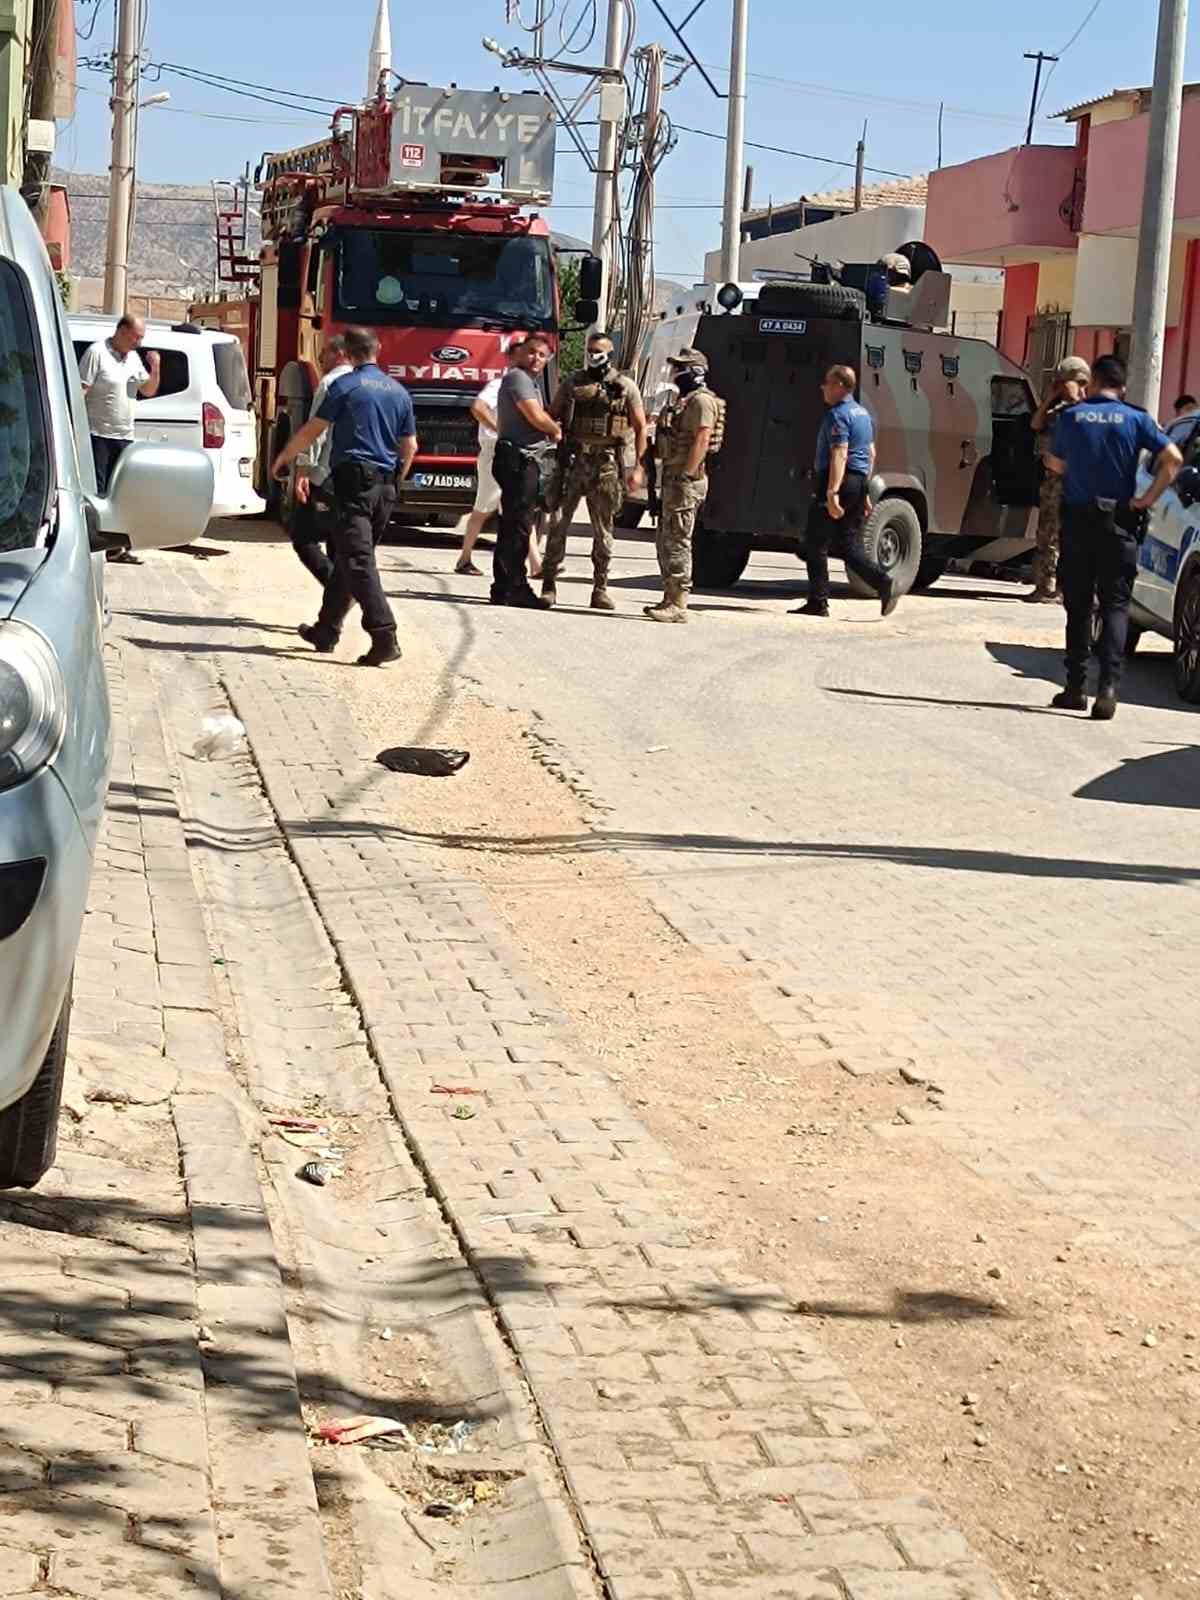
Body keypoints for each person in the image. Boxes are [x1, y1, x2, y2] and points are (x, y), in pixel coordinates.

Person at [1046, 353, 1182, 719]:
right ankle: (1108, 689)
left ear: (1092, 383)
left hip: (1078, 522)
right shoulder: (1137, 419)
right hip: (1119, 522)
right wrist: (1147, 499)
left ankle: (1075, 688)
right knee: (1115, 606)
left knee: (1077, 606)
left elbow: (1055, 464)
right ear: (1121, 387)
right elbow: (1173, 459)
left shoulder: (1072, 417)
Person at [272, 326, 417, 667]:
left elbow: (314, 429)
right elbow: (409, 446)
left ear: (348, 354)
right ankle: (327, 630)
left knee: (358, 562)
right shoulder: (398, 391)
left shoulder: (345, 385)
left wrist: (285, 457)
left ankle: (384, 634)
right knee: (351, 557)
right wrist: (395, 481)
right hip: (385, 486)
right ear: (378, 350)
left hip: (353, 484)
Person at [540, 331, 648, 611]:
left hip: (606, 465)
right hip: (574, 462)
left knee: (603, 531)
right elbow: (551, 416)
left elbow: (640, 427)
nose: (592, 356)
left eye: (598, 351)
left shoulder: (625, 386)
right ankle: (549, 584)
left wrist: (638, 468)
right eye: (589, 350)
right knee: (558, 523)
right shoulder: (573, 383)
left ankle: (600, 588)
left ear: (610, 355)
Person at [793, 364, 899, 619]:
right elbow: (871, 454)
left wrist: (831, 492)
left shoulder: (838, 415)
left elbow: (839, 453)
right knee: (847, 543)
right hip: (858, 481)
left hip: (837, 481)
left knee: (815, 543)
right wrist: (864, 492)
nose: (823, 387)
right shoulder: (863, 414)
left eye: (827, 383)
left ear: (840, 386)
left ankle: (818, 602)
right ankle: (882, 581)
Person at [644, 348, 722, 623]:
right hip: (672, 478)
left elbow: (702, 438)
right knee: (665, 539)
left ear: (697, 371)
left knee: (678, 540)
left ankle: (679, 604)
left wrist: (687, 475)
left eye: (682, 368)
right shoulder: (682, 401)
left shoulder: (701, 402)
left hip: (685, 481)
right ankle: (669, 596)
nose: (677, 373)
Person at [456, 336, 543, 579]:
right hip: (496, 451)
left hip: (513, 452)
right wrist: (500, 428)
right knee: (484, 508)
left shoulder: (526, 386)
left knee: (521, 508)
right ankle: (465, 558)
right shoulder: (502, 384)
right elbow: (478, 407)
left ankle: (536, 563)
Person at [491, 331, 561, 608]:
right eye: (531, 352)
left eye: (543, 355)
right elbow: (533, 414)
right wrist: (556, 431)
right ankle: (515, 587)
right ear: (520, 353)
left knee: (514, 525)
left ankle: (503, 586)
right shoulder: (518, 378)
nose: (536, 358)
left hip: (522, 459)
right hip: (517, 459)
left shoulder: (530, 382)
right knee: (518, 526)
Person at [1023, 355, 1091, 604]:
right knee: (1046, 536)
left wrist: (1075, 394)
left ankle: (1063, 587)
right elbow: (1035, 423)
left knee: (1070, 539)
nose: (1062, 386)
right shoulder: (1059, 411)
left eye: (1065, 382)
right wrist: (1051, 398)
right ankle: (1044, 585)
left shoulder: (1090, 412)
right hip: (1052, 483)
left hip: (1075, 484)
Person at [290, 335, 352, 589]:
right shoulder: (369, 383)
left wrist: (303, 470)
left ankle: (338, 590)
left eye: (324, 352)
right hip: (358, 475)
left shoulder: (329, 383)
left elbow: (316, 431)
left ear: (339, 354)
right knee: (339, 540)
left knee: (303, 537)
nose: (319, 358)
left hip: (325, 473)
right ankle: (332, 615)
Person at [78, 313, 161, 494]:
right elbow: (81, 391)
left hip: (125, 436)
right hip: (99, 435)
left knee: (118, 491)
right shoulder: (96, 352)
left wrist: (155, 367)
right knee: (98, 490)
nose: (139, 343)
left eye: (141, 338)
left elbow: (148, 390)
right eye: (136, 337)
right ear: (122, 331)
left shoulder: (133, 358)